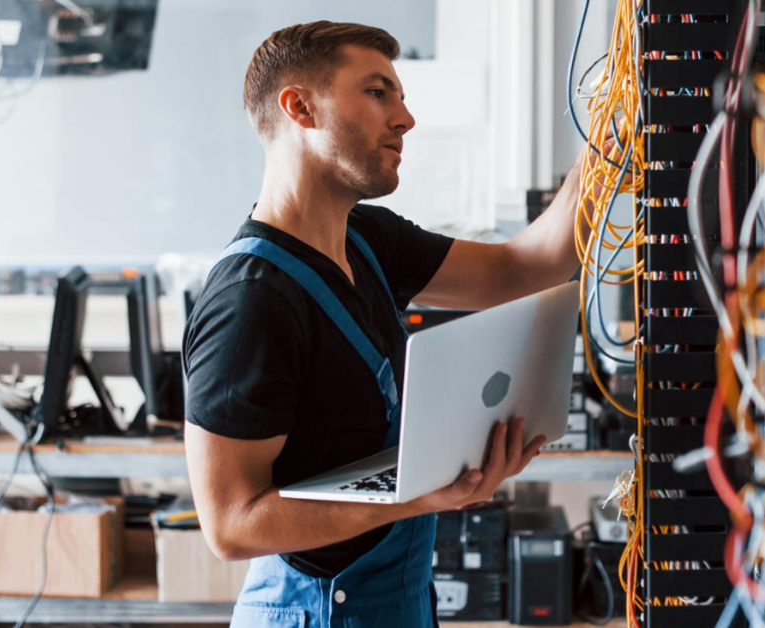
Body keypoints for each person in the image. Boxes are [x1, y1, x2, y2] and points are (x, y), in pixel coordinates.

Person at [183, 21, 592, 628]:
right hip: (315, 613)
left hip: (395, 600)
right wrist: (418, 498)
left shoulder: (369, 239)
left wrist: (609, 134)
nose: (405, 118)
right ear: (300, 108)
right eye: (379, 93)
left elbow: (520, 268)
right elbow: (232, 525)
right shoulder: (250, 302)